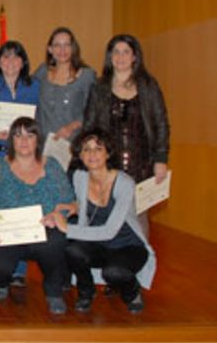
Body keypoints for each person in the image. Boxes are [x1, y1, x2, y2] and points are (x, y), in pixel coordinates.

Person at [0, 117, 75, 315]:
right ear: (11, 140)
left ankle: (53, 290)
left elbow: (67, 199)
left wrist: (56, 215)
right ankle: (2, 281)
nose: (24, 141)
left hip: (44, 233)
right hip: (7, 235)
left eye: (30, 135)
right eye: (18, 135)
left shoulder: (52, 166)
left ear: (38, 139)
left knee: (58, 240)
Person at [48, 129, 155, 314]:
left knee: (113, 273)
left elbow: (109, 231)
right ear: (80, 155)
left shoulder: (125, 183)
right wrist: (74, 206)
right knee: (72, 250)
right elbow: (86, 206)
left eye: (98, 148)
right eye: (86, 149)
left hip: (128, 246)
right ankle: (86, 292)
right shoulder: (80, 176)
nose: (92, 154)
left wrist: (67, 228)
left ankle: (132, 292)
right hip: (98, 244)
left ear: (108, 153)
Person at [83, 34, 170, 236]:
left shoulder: (148, 86)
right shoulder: (99, 88)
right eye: (116, 52)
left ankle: (142, 263)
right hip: (107, 166)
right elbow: (89, 127)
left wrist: (161, 159)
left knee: (138, 220)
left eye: (126, 52)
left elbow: (161, 124)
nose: (120, 57)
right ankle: (111, 266)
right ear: (109, 57)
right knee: (108, 218)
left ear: (134, 57)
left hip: (142, 164)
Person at [0, 41, 40, 286]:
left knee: (24, 209)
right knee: (2, 211)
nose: (11, 62)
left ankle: (19, 270)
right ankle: (3, 269)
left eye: (16, 58)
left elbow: (41, 122)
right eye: (5, 58)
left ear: (23, 62)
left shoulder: (35, 87)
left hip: (27, 159)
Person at [33, 27, 96, 141]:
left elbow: (93, 111)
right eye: (57, 45)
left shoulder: (86, 76)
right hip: (43, 144)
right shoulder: (42, 71)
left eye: (67, 44)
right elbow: (23, 87)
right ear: (50, 49)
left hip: (73, 142)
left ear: (73, 48)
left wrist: (71, 127)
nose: (62, 50)